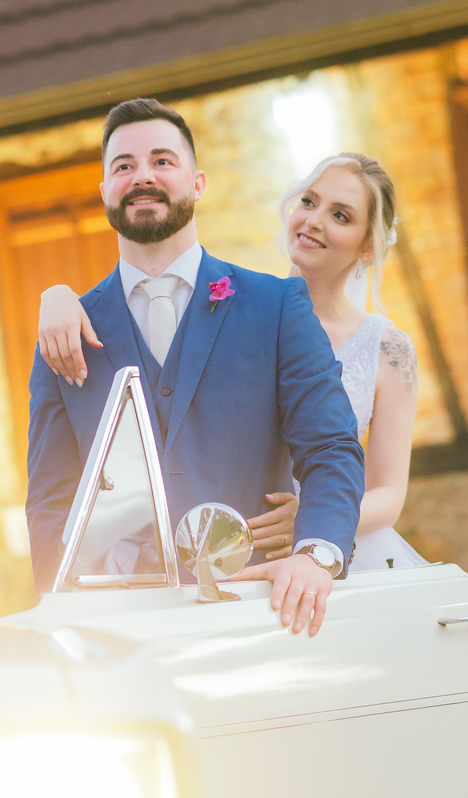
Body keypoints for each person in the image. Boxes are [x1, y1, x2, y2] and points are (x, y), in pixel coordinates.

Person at [37, 150, 468, 798]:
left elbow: (389, 492)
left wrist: (319, 521)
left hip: (344, 556)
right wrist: (58, 294)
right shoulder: (237, 306)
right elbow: (138, 296)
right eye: (311, 201)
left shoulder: (386, 348)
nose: (316, 220)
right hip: (247, 555)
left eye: (342, 215)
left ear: (368, 247)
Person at [25, 99, 365, 637]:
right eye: (123, 166)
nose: (142, 177)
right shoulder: (65, 333)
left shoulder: (276, 307)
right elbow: (49, 502)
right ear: (105, 192)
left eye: (162, 161)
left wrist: (314, 557)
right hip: (120, 630)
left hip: (258, 613)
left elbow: (331, 448)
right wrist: (61, 613)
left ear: (198, 182)